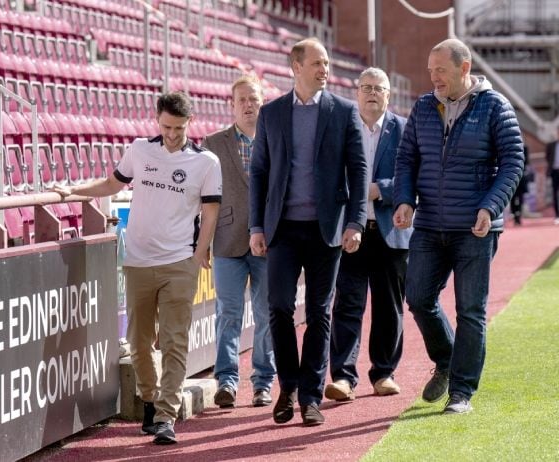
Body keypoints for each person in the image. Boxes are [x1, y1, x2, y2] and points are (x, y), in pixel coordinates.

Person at [54, 91, 222, 444]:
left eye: (178, 128)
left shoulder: (206, 162)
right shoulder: (139, 150)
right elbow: (113, 183)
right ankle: (149, 400)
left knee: (175, 341)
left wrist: (198, 254)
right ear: (156, 121)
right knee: (140, 342)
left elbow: (210, 213)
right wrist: (74, 191)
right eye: (166, 127)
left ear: (189, 123)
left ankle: (165, 416)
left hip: (180, 263)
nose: (172, 134)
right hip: (139, 262)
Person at [393, 38, 524, 415]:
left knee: (470, 310)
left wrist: (489, 207)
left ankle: (462, 391)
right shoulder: (423, 106)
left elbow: (513, 163)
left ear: (463, 68)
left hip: (475, 228)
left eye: (441, 70)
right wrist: (405, 199)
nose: (433, 77)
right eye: (430, 70)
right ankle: (447, 361)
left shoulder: (495, 106)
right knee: (417, 297)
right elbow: (406, 159)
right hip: (430, 224)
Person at [249, 37, 367, 426]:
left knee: (319, 312)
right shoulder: (271, 113)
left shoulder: (344, 111)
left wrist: (355, 221)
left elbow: (358, 170)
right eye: (317, 63)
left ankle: (311, 396)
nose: (325, 69)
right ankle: (289, 386)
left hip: (326, 231)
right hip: (281, 229)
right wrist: (255, 226)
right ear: (295, 67)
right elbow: (260, 173)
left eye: (327, 63)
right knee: (279, 307)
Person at [324, 67, 411, 403]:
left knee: (389, 307)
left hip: (391, 232)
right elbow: (329, 174)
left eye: (379, 88)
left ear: (388, 95)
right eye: (366, 87)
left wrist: (379, 190)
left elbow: (411, 177)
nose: (372, 93)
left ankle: (384, 372)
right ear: (356, 93)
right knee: (347, 305)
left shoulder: (403, 129)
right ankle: (344, 377)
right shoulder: (341, 129)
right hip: (350, 231)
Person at [202, 75, 275, 409]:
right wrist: (200, 242)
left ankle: (263, 383)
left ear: (263, 103)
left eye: (254, 99)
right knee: (228, 314)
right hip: (228, 242)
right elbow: (200, 198)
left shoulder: (277, 140)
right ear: (232, 105)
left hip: (269, 243)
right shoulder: (213, 145)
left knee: (266, 314)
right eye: (242, 99)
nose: (249, 105)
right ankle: (227, 382)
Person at [509, 145, 530, 225]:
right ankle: (515, 215)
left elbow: (527, 161)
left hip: (521, 177)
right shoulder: (510, 147)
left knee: (521, 197)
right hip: (511, 177)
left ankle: (519, 215)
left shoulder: (525, 148)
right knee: (512, 197)